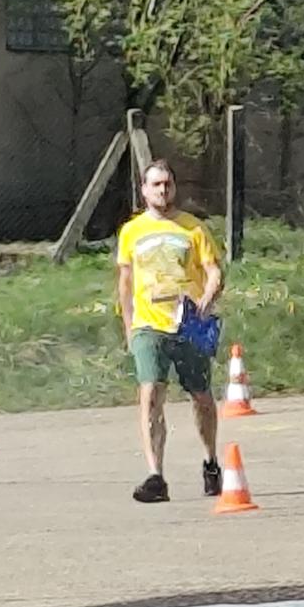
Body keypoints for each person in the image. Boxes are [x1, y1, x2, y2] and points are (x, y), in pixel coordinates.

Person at [117, 160, 224, 503]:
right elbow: (125, 283)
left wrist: (207, 298)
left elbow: (213, 271)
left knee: (201, 397)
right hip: (149, 325)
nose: (162, 190)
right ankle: (155, 476)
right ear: (144, 190)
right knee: (150, 393)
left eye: (167, 184)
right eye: (156, 184)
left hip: (188, 323)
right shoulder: (131, 232)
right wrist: (129, 326)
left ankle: (210, 461)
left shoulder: (193, 228)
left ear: (174, 188)